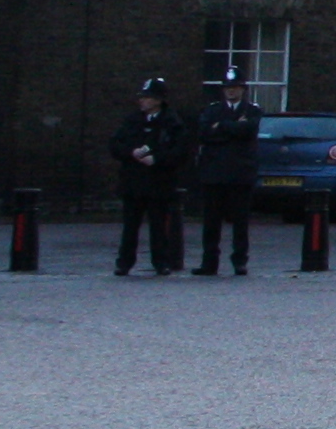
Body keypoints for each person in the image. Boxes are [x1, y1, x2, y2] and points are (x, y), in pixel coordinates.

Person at [109, 76, 191, 278]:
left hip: (158, 182)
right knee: (130, 227)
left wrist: (157, 159)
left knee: (158, 226)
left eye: (147, 97)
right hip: (133, 181)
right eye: (142, 97)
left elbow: (180, 151)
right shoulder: (132, 120)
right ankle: (124, 263)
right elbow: (115, 145)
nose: (142, 101)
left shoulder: (172, 123)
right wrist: (131, 152)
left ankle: (161, 262)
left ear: (158, 100)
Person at [189, 75, 264, 278]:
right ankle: (209, 263)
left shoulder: (252, 110)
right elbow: (204, 133)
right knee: (211, 222)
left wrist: (221, 126)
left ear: (243, 89)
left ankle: (240, 261)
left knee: (240, 222)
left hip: (241, 173)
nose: (231, 91)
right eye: (228, 87)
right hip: (214, 173)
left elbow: (248, 130)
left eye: (236, 87)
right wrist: (232, 127)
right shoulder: (212, 110)